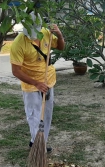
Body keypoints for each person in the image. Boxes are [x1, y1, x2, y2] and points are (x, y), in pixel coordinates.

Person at [10, 12, 65, 152]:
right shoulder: (18, 43)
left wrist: (59, 34)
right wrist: (36, 83)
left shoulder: (45, 33)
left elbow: (60, 47)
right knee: (34, 115)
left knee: (46, 114)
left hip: (48, 81)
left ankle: (41, 142)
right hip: (31, 85)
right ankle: (37, 146)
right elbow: (16, 71)